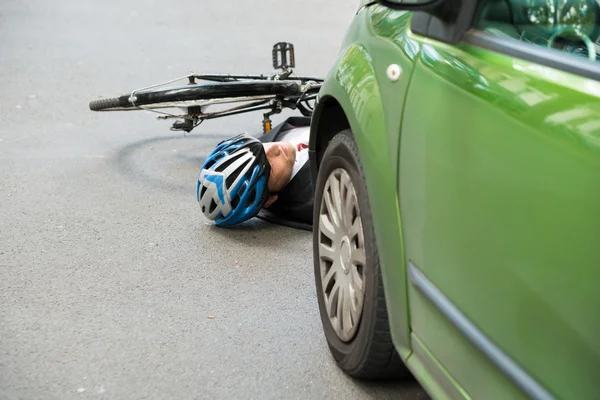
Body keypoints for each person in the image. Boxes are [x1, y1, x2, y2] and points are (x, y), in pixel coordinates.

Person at [197, 116, 313, 229]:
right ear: (269, 200)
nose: (274, 148)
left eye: (260, 146)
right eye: (270, 167)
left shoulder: (276, 135)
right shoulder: (313, 195)